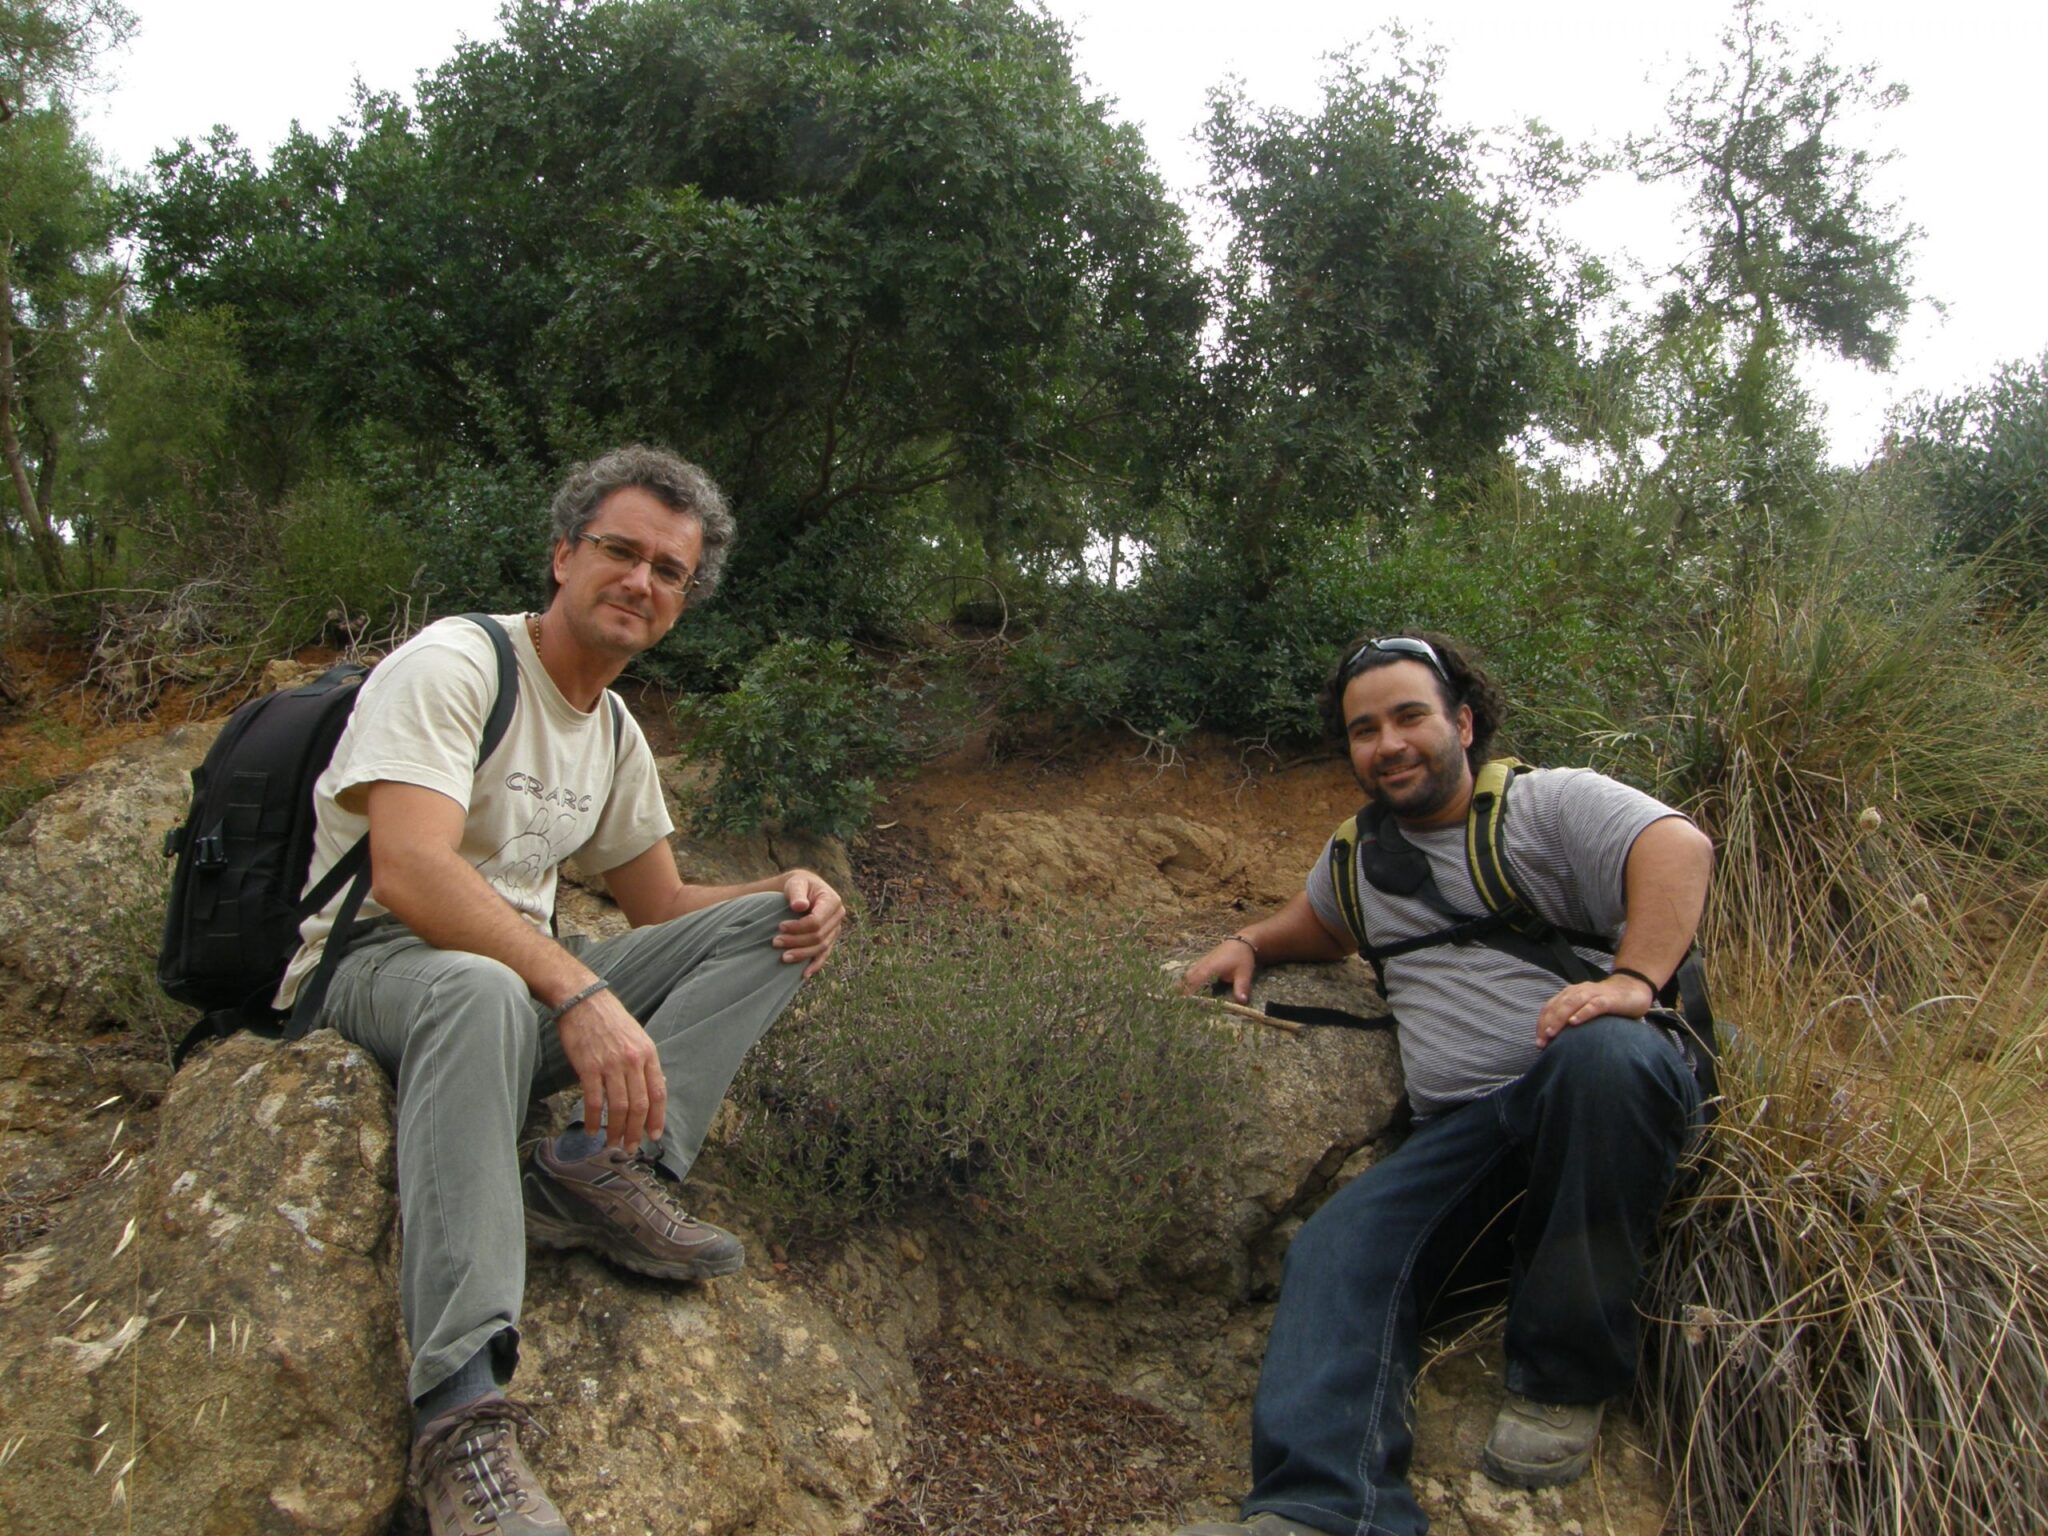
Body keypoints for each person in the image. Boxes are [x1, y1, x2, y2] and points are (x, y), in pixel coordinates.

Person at [276, 445, 846, 1536]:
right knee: (487, 994)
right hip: (374, 970)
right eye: (619, 551)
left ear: (684, 597)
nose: (641, 582)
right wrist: (577, 994)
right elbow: (407, 868)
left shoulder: (616, 730)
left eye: (668, 571)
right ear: (562, 555)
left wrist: (787, 889)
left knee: (775, 924)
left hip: (510, 988)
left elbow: (660, 904)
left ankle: (599, 1168)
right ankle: (461, 1421)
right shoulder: (457, 664)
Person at [1174, 632, 1712, 1536]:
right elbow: (1318, 924)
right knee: (1338, 1247)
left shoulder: (1545, 807)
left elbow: (1677, 845)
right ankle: (1323, 1509)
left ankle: (1561, 1379)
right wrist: (1252, 943)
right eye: (1364, 729)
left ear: (1463, 722)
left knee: (1605, 1054)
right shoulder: (1358, 859)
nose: (1388, 743)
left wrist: (1632, 981)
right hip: (1469, 1138)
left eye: (1409, 716)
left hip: (1600, 1097)